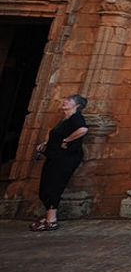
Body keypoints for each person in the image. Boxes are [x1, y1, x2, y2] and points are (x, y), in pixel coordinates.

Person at [30, 94, 89, 232]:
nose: (64, 102)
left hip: (65, 158)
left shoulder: (76, 118)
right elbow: (57, 135)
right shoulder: (65, 120)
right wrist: (46, 144)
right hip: (55, 156)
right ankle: (49, 217)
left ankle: (51, 220)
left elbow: (83, 130)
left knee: (53, 185)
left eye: (68, 101)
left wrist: (66, 140)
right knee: (47, 185)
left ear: (77, 105)